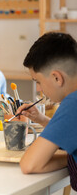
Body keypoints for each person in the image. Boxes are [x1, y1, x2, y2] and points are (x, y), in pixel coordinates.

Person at [18, 32, 77, 190]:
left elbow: (29, 165)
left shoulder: (73, 102)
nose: (39, 89)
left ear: (57, 77)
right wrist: (42, 119)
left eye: (38, 81)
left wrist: (68, 155)